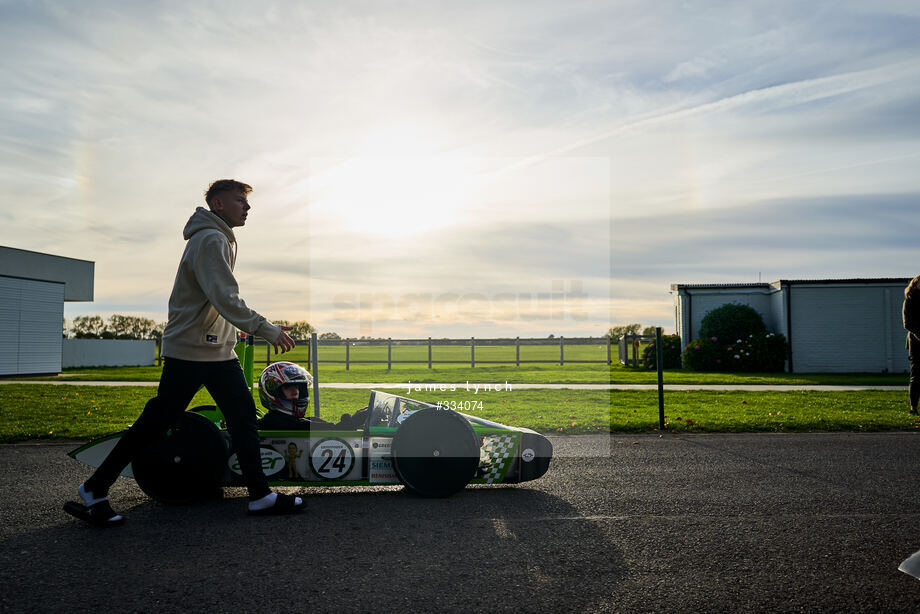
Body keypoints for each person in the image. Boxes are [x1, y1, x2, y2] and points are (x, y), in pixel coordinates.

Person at [67, 179, 304, 526]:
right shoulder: (211, 239)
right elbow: (225, 296)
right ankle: (94, 488)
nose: (247, 207)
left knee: (242, 419)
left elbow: (212, 300)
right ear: (218, 204)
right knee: (156, 423)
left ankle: (260, 495)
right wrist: (266, 329)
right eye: (240, 201)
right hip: (193, 352)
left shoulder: (215, 237)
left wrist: (227, 327)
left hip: (216, 350)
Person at [903, 275, 920, 415]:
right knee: (916, 376)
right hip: (916, 344)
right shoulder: (909, 301)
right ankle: (913, 408)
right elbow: (908, 324)